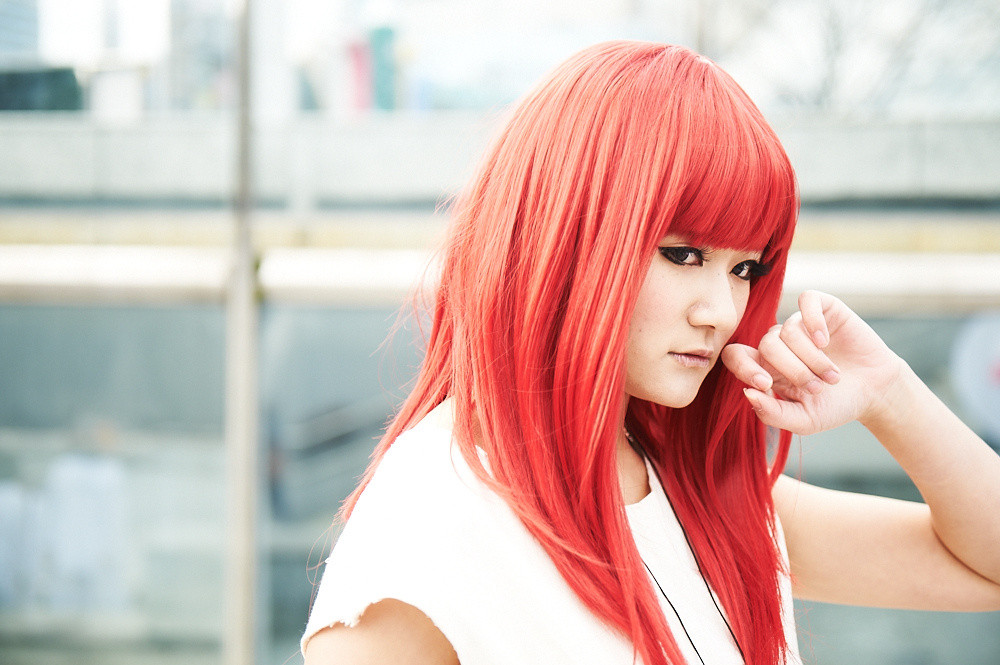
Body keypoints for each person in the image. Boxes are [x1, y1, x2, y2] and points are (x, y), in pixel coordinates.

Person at [300, 41, 1000, 665]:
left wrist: (891, 394)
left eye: (744, 268)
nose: (720, 311)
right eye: (683, 254)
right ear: (566, 232)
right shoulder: (429, 529)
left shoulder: (702, 495)